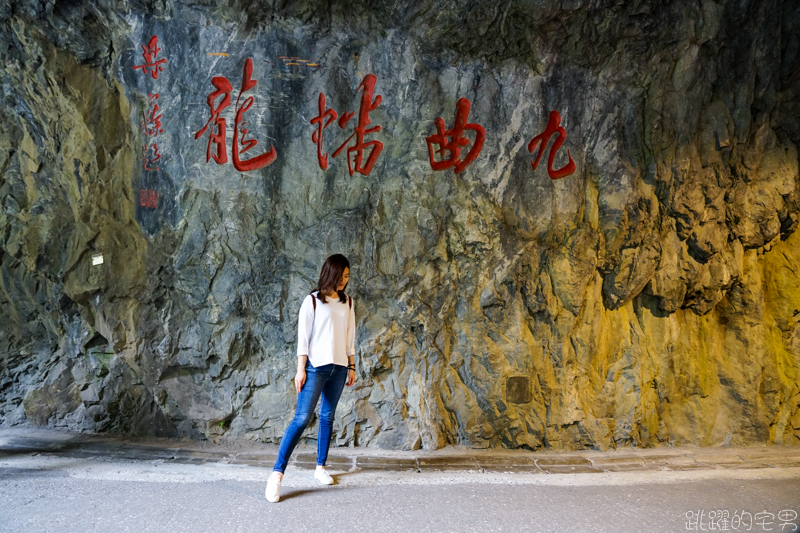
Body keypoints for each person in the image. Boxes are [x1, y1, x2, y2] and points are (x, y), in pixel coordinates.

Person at [265, 254, 356, 503]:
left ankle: (320, 468)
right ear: (330, 274)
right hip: (315, 367)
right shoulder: (313, 301)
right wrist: (300, 369)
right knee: (302, 418)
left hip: (339, 368)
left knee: (328, 416)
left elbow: (350, 336)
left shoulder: (348, 302)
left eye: (347, 277)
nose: (344, 281)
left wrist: (352, 366)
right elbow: (302, 338)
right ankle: (276, 475)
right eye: (341, 276)